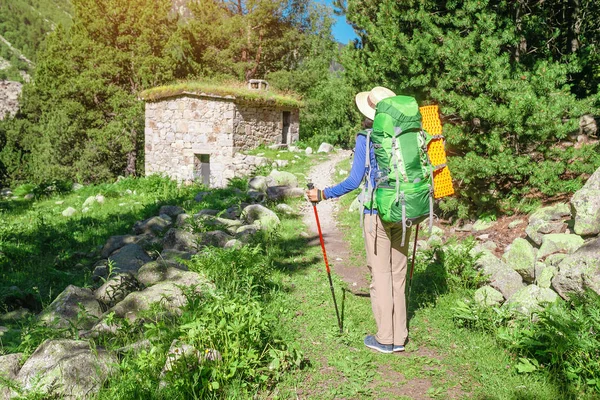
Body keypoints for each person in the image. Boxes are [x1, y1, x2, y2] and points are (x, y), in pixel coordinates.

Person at [306, 86, 411, 354]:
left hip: (377, 213)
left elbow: (355, 181)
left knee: (380, 275)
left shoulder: (366, 136)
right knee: (398, 274)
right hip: (405, 210)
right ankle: (400, 336)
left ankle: (385, 338)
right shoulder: (406, 134)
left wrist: (322, 194)